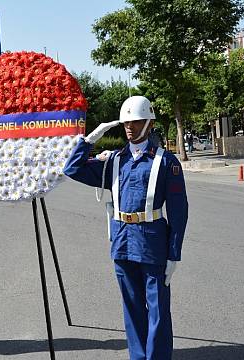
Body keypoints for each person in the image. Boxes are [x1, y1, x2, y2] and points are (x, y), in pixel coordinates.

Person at [63, 96, 188, 360]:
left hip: (153, 242)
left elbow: (178, 211)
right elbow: (72, 169)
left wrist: (173, 254)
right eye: (126, 123)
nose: (130, 127)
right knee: (131, 308)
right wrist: (90, 139)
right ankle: (138, 356)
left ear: (149, 123)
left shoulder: (166, 162)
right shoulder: (115, 161)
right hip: (122, 241)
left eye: (137, 122)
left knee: (157, 310)